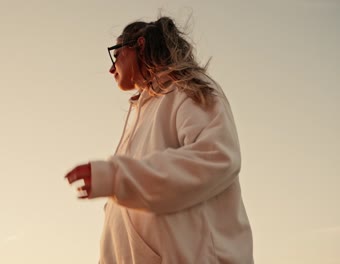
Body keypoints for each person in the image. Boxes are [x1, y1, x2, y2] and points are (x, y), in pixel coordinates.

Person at [65, 16, 253, 264]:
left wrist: (116, 177)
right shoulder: (141, 113)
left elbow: (217, 158)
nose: (111, 68)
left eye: (116, 54)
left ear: (139, 45)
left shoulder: (189, 87)